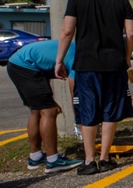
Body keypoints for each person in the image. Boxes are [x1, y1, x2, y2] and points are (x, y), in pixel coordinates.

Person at [55, 0, 133, 176]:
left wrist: (59, 61)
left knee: (87, 110)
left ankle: (89, 161)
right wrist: (126, 59)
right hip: (115, 65)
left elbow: (66, 31)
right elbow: (131, 34)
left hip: (87, 65)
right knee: (111, 111)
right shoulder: (121, 1)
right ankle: (105, 158)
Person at [6, 39, 83, 173]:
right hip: (26, 66)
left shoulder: (74, 47)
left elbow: (44, 67)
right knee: (49, 111)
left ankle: (35, 157)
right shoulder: (79, 55)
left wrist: (50, 98)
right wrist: (79, 115)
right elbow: (75, 91)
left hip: (18, 64)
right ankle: (53, 161)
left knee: (36, 111)